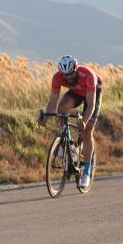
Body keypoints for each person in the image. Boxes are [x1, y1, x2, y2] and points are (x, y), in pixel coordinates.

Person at [39, 55, 103, 189]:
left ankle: (86, 173)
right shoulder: (57, 77)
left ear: (76, 69)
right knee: (61, 109)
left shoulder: (88, 76)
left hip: (92, 93)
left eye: (71, 75)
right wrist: (46, 117)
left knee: (86, 131)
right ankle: (66, 143)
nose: (68, 78)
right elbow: (53, 101)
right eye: (65, 75)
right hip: (76, 93)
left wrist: (84, 121)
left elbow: (91, 105)